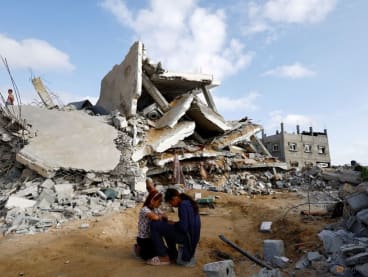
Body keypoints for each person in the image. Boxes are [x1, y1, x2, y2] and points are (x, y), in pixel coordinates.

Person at [147, 188, 201, 266]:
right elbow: (186, 224)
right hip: (191, 237)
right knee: (165, 225)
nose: (172, 205)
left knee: (155, 225)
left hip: (187, 238)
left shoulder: (183, 205)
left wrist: (174, 224)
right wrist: (173, 224)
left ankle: (163, 256)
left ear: (175, 198)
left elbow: (183, 227)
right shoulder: (188, 203)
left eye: (170, 202)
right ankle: (173, 254)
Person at [134, 190, 167, 260]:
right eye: (159, 201)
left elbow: (165, 216)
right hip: (143, 238)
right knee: (148, 256)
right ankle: (138, 248)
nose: (160, 204)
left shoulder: (155, 209)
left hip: (152, 237)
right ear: (152, 201)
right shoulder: (144, 210)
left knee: (161, 251)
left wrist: (161, 216)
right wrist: (160, 216)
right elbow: (155, 217)